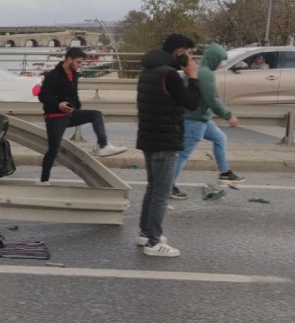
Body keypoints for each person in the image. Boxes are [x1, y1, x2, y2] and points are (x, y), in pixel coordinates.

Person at [135, 34, 202, 257]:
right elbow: (191, 103)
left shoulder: (148, 70)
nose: (191, 57)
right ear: (179, 52)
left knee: (152, 188)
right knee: (161, 192)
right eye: (189, 52)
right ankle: (154, 242)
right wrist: (193, 77)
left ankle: (146, 232)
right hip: (165, 139)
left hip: (149, 137)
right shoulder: (169, 74)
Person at [38, 47, 127, 184]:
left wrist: (76, 108)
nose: (81, 65)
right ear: (69, 59)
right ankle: (44, 180)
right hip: (55, 116)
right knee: (53, 150)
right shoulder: (54, 75)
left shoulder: (74, 75)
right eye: (78, 62)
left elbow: (74, 95)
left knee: (96, 115)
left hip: (71, 114)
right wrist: (58, 105)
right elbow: (43, 95)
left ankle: (103, 146)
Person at [170, 43, 244, 199]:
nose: (220, 64)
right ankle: (167, 186)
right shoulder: (205, 74)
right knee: (182, 155)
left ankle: (224, 173)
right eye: (220, 60)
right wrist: (228, 115)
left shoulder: (198, 70)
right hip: (194, 120)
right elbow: (212, 99)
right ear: (214, 59)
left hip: (201, 118)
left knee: (220, 138)